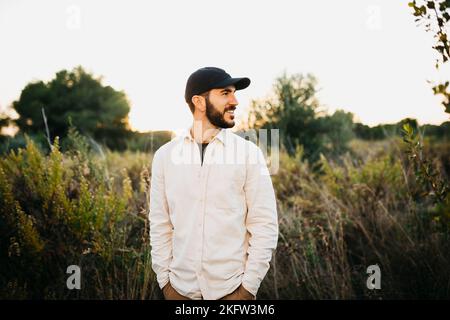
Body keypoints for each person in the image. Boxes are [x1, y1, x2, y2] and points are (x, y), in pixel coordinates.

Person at [149, 67, 278, 300]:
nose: (235, 101)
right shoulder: (165, 157)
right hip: (180, 290)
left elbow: (264, 225)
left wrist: (247, 289)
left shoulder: (249, 154)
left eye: (234, 93)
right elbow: (160, 224)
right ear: (199, 101)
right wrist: (166, 285)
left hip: (231, 290)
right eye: (225, 93)